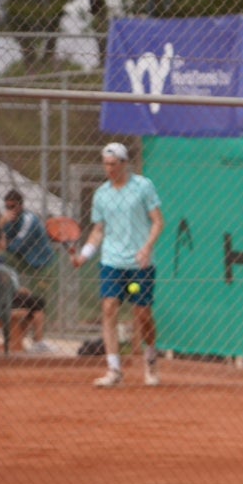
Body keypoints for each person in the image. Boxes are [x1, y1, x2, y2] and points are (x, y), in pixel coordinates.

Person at [71, 142, 165, 387]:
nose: (109, 169)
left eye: (113, 164)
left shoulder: (144, 187)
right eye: (106, 164)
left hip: (140, 263)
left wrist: (146, 248)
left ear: (124, 164)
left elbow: (157, 222)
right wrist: (85, 255)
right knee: (109, 308)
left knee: (142, 314)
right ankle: (114, 370)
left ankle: (151, 356)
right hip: (112, 261)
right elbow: (98, 230)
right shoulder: (101, 194)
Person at [0, 227, 54, 353]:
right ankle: (37, 342)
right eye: (4, 239)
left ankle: (26, 341)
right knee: (39, 304)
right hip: (2, 301)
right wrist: (18, 290)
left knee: (34, 309)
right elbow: (2, 285)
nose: (6, 241)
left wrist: (18, 289)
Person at [0, 188, 56, 296]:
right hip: (27, 263)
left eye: (13, 207)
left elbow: (17, 246)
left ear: (21, 206)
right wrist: (0, 225)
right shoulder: (8, 221)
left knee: (41, 298)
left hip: (43, 264)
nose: (10, 211)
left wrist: (4, 243)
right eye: (7, 207)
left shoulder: (29, 219)